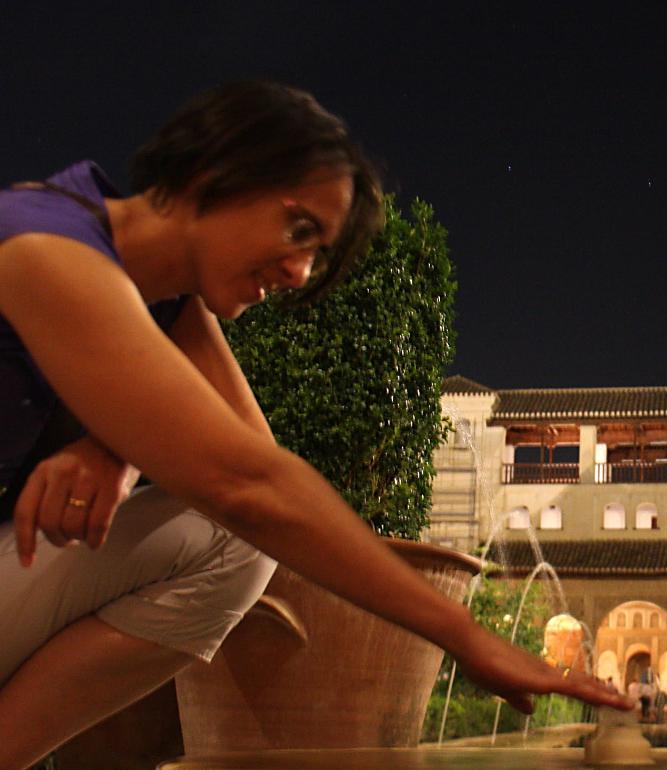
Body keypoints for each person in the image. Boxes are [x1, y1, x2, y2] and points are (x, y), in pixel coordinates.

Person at [0, 81, 630, 769]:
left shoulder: (167, 300)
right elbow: (249, 485)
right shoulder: (45, 242)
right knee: (230, 526)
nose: (300, 272)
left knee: (231, 544)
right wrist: (464, 635)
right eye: (298, 228)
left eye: (318, 253)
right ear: (214, 174)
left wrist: (113, 442)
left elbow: (250, 468)